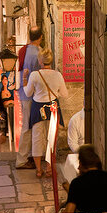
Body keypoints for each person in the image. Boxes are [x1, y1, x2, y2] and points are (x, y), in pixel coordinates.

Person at [24, 49, 69, 178]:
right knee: (51, 139)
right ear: (51, 60)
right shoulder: (58, 75)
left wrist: (24, 79)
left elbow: (28, 93)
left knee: (37, 138)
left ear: (40, 61)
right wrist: (56, 93)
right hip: (53, 108)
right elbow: (65, 94)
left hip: (38, 109)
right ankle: (49, 167)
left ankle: (39, 169)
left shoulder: (34, 75)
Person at [61, 144, 107, 213]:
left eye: (79, 164)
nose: (78, 167)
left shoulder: (76, 183)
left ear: (82, 164)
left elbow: (69, 212)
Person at [15, 25, 43, 169]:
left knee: (31, 125)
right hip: (32, 95)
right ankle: (22, 160)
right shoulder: (39, 54)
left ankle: (32, 155)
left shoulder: (23, 50)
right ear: (41, 37)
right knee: (28, 126)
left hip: (24, 92)